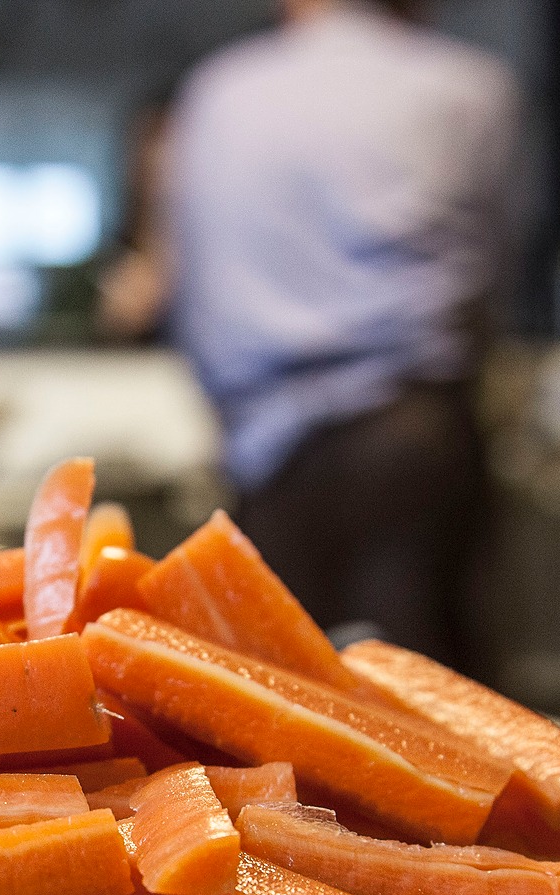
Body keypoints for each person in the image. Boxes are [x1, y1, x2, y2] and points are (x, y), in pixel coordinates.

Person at [164, 0, 517, 666]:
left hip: (267, 457)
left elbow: (193, 288)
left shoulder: (219, 92)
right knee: (434, 709)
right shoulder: (463, 87)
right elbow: (484, 277)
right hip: (414, 441)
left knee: (273, 704)